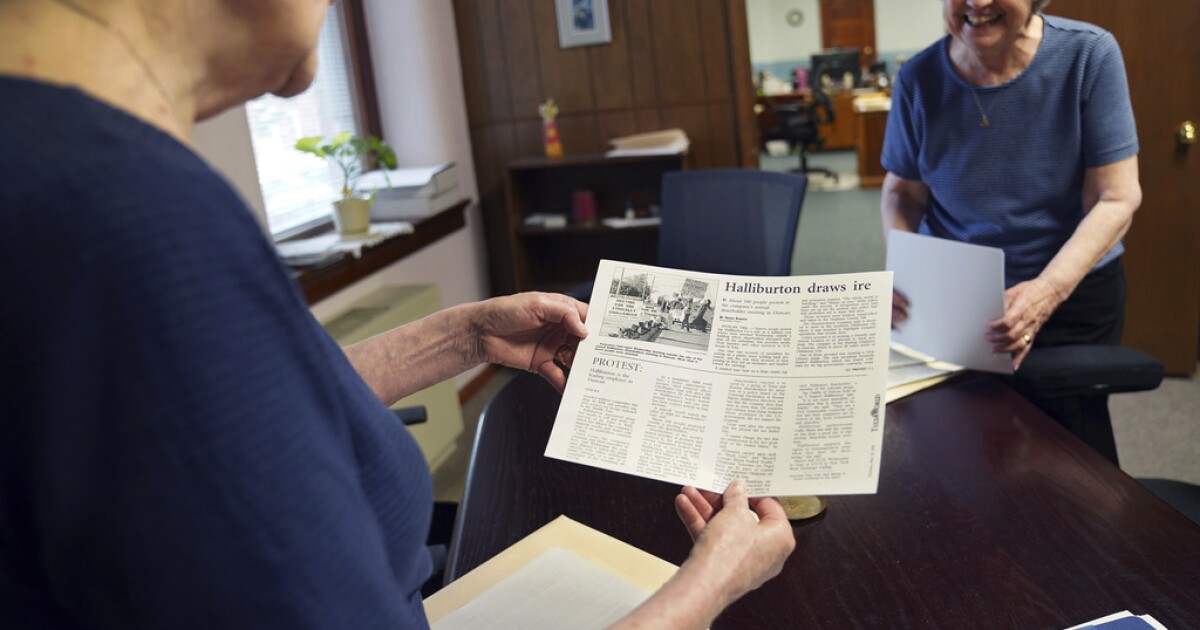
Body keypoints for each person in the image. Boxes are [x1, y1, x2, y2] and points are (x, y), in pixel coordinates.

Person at [0, 1, 794, 628]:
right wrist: (709, 587)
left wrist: (464, 334)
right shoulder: (135, 227)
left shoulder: (53, 172)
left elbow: (250, 412)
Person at [881, 0, 1141, 372]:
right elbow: (902, 193)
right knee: (960, 423)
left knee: (1067, 425)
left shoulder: (1088, 54)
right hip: (958, 298)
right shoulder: (918, 79)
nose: (978, 2)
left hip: (1070, 295)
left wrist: (1046, 293)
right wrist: (905, 270)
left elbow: (1116, 197)